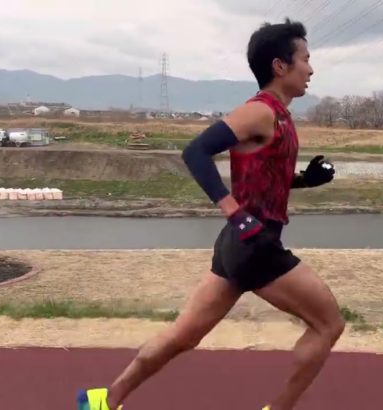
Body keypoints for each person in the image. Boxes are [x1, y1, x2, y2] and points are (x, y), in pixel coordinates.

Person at [77, 18, 345, 410]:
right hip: (254, 244)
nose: (311, 69)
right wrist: (235, 213)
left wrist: (306, 180)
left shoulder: (282, 117)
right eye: (305, 59)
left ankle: (103, 399)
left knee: (183, 335)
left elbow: (265, 183)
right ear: (279, 66)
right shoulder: (260, 111)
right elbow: (195, 152)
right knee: (328, 324)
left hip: (239, 244)